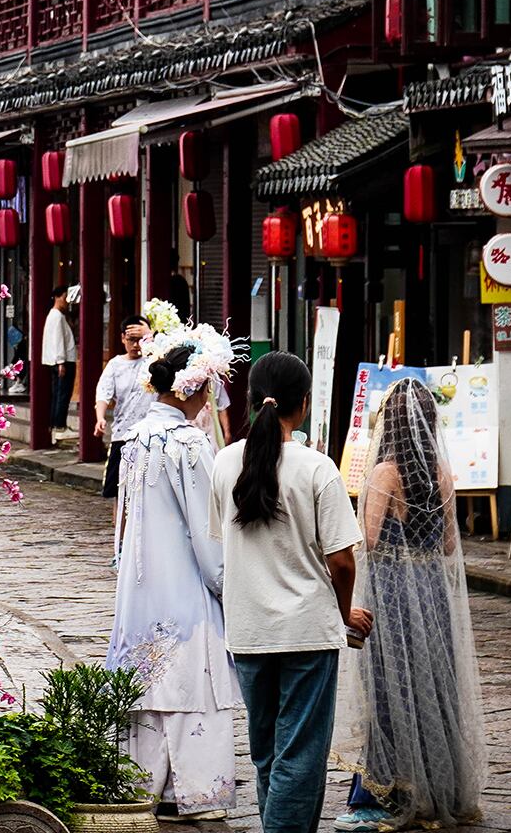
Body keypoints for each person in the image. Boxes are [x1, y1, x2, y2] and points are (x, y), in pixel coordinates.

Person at [210, 352, 371, 833]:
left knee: (267, 754)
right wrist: (345, 612)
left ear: (251, 400)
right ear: (303, 404)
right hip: (307, 631)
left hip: (248, 631)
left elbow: (224, 541)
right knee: (300, 756)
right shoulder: (317, 468)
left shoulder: (223, 463)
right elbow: (342, 559)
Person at [334, 377, 486, 832]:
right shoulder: (441, 471)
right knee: (434, 684)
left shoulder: (385, 473)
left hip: (394, 593)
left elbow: (371, 540)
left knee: (389, 685)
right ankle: (439, 786)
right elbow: (448, 545)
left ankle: (390, 788)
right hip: (432, 593)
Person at [108, 341, 240, 822]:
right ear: (195, 387)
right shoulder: (188, 443)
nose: (211, 400)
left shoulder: (135, 437)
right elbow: (209, 526)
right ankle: (196, 792)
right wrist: (225, 579)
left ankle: (142, 784)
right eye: (210, 389)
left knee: (146, 676)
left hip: (141, 581)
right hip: (184, 580)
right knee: (192, 679)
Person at [95, 315, 156, 503]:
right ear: (123, 338)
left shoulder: (154, 361)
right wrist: (100, 417)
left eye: (141, 339)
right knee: (119, 492)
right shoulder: (115, 365)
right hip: (123, 434)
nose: (137, 345)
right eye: (132, 339)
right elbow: (103, 393)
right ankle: (119, 532)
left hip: (151, 435)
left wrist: (151, 336)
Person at [42, 284, 79, 432]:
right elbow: (58, 340)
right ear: (57, 297)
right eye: (65, 297)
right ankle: (59, 424)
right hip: (63, 360)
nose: (67, 301)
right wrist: (61, 361)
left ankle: (56, 423)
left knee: (59, 393)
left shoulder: (55, 315)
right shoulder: (57, 316)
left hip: (57, 360)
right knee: (62, 393)